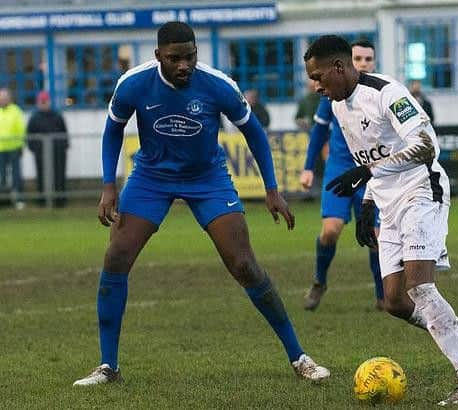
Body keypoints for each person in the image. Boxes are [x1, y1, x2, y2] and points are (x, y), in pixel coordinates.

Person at [73, 22, 329, 386]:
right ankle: (107, 367)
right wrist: (108, 185)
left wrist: (271, 189)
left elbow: (253, 131)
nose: (184, 65)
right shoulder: (133, 83)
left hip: (207, 178)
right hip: (151, 177)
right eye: (174, 58)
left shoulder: (217, 85)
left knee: (244, 264)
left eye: (190, 57)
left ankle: (299, 357)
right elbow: (113, 128)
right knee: (116, 257)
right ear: (158, 56)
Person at [304, 35, 458, 406]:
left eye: (319, 77)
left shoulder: (387, 93)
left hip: (422, 190)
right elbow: (372, 158)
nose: (316, 86)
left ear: (339, 67)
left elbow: (424, 146)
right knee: (396, 302)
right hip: (388, 203)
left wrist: (366, 172)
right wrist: (368, 202)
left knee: (420, 287)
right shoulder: (339, 107)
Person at [300, 39, 384, 311]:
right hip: (339, 167)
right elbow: (319, 131)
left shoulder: (377, 94)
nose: (363, 63)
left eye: (368, 59)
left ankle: (383, 296)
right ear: (347, 62)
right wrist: (309, 168)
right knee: (331, 230)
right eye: (358, 59)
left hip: (369, 169)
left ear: (373, 62)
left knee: (375, 236)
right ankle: (319, 281)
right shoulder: (332, 91)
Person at [27, 90, 69, 207]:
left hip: (58, 151)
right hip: (40, 152)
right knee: (42, 176)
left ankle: (60, 200)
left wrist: (63, 147)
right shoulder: (34, 118)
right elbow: (29, 135)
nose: (44, 104)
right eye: (42, 102)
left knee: (59, 175)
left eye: (45, 102)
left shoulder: (57, 116)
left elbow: (64, 133)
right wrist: (35, 149)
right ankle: (42, 200)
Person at [0, 88, 26, 210]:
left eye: (4, 97)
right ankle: (3, 200)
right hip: (0, 149)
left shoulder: (16, 111)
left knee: (16, 176)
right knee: (1, 177)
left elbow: (21, 129)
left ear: (9, 98)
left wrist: (21, 145)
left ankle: (19, 200)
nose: (2, 100)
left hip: (14, 148)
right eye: (1, 98)